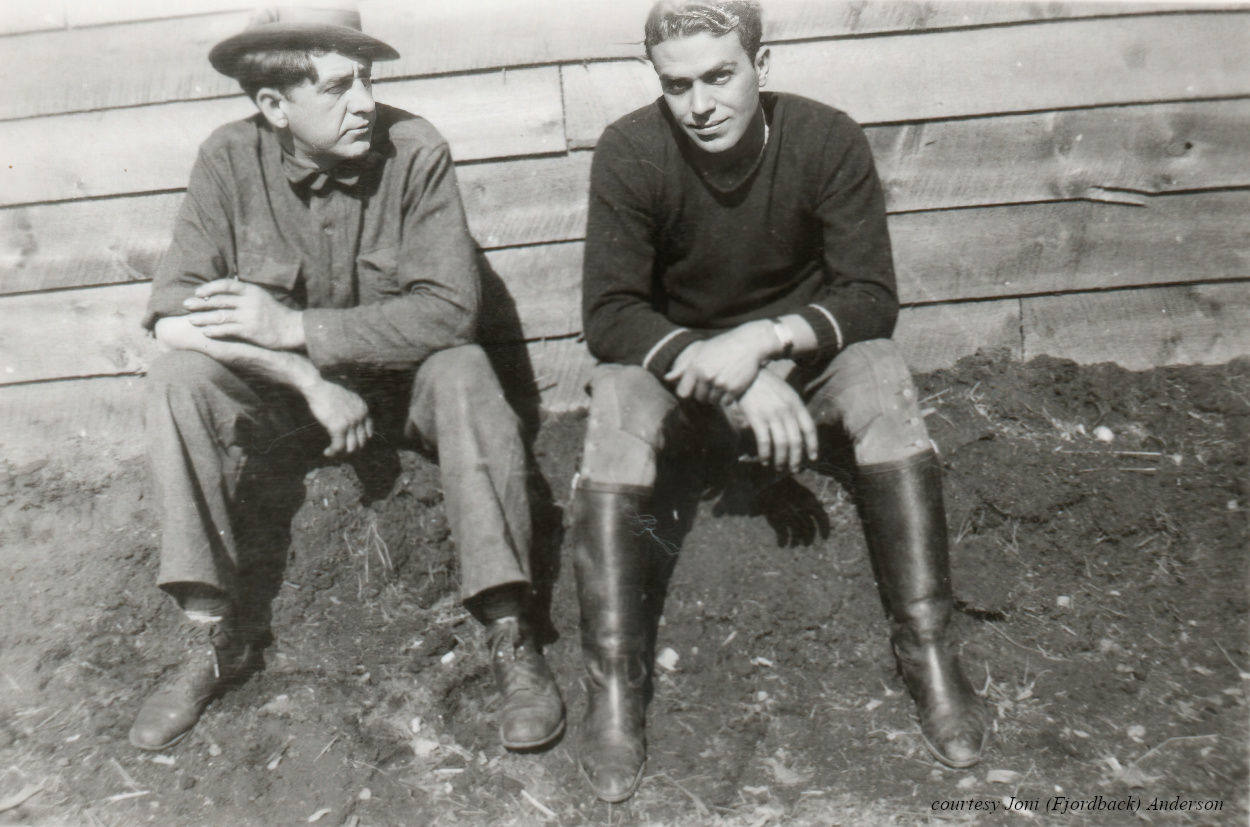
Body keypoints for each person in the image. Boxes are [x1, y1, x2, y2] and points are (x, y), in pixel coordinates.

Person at [572, 0, 989, 802]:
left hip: (800, 369)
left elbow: (871, 297)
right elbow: (610, 313)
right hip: (687, 381)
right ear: (656, 83)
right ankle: (616, 689)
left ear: (763, 66)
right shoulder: (631, 150)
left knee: (879, 371)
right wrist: (729, 369)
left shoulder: (825, 137)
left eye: (721, 76)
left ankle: (931, 653)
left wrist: (761, 344)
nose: (701, 105)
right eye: (678, 84)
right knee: (615, 400)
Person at [129, 5, 563, 754]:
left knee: (464, 370)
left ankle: (509, 632)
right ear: (273, 105)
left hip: (404, 393)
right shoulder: (229, 161)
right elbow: (170, 315)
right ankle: (210, 636)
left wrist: (296, 327)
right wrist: (301, 373)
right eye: (336, 87)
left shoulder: (414, 149)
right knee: (177, 377)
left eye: (366, 80)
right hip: (289, 409)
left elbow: (451, 314)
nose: (364, 101)